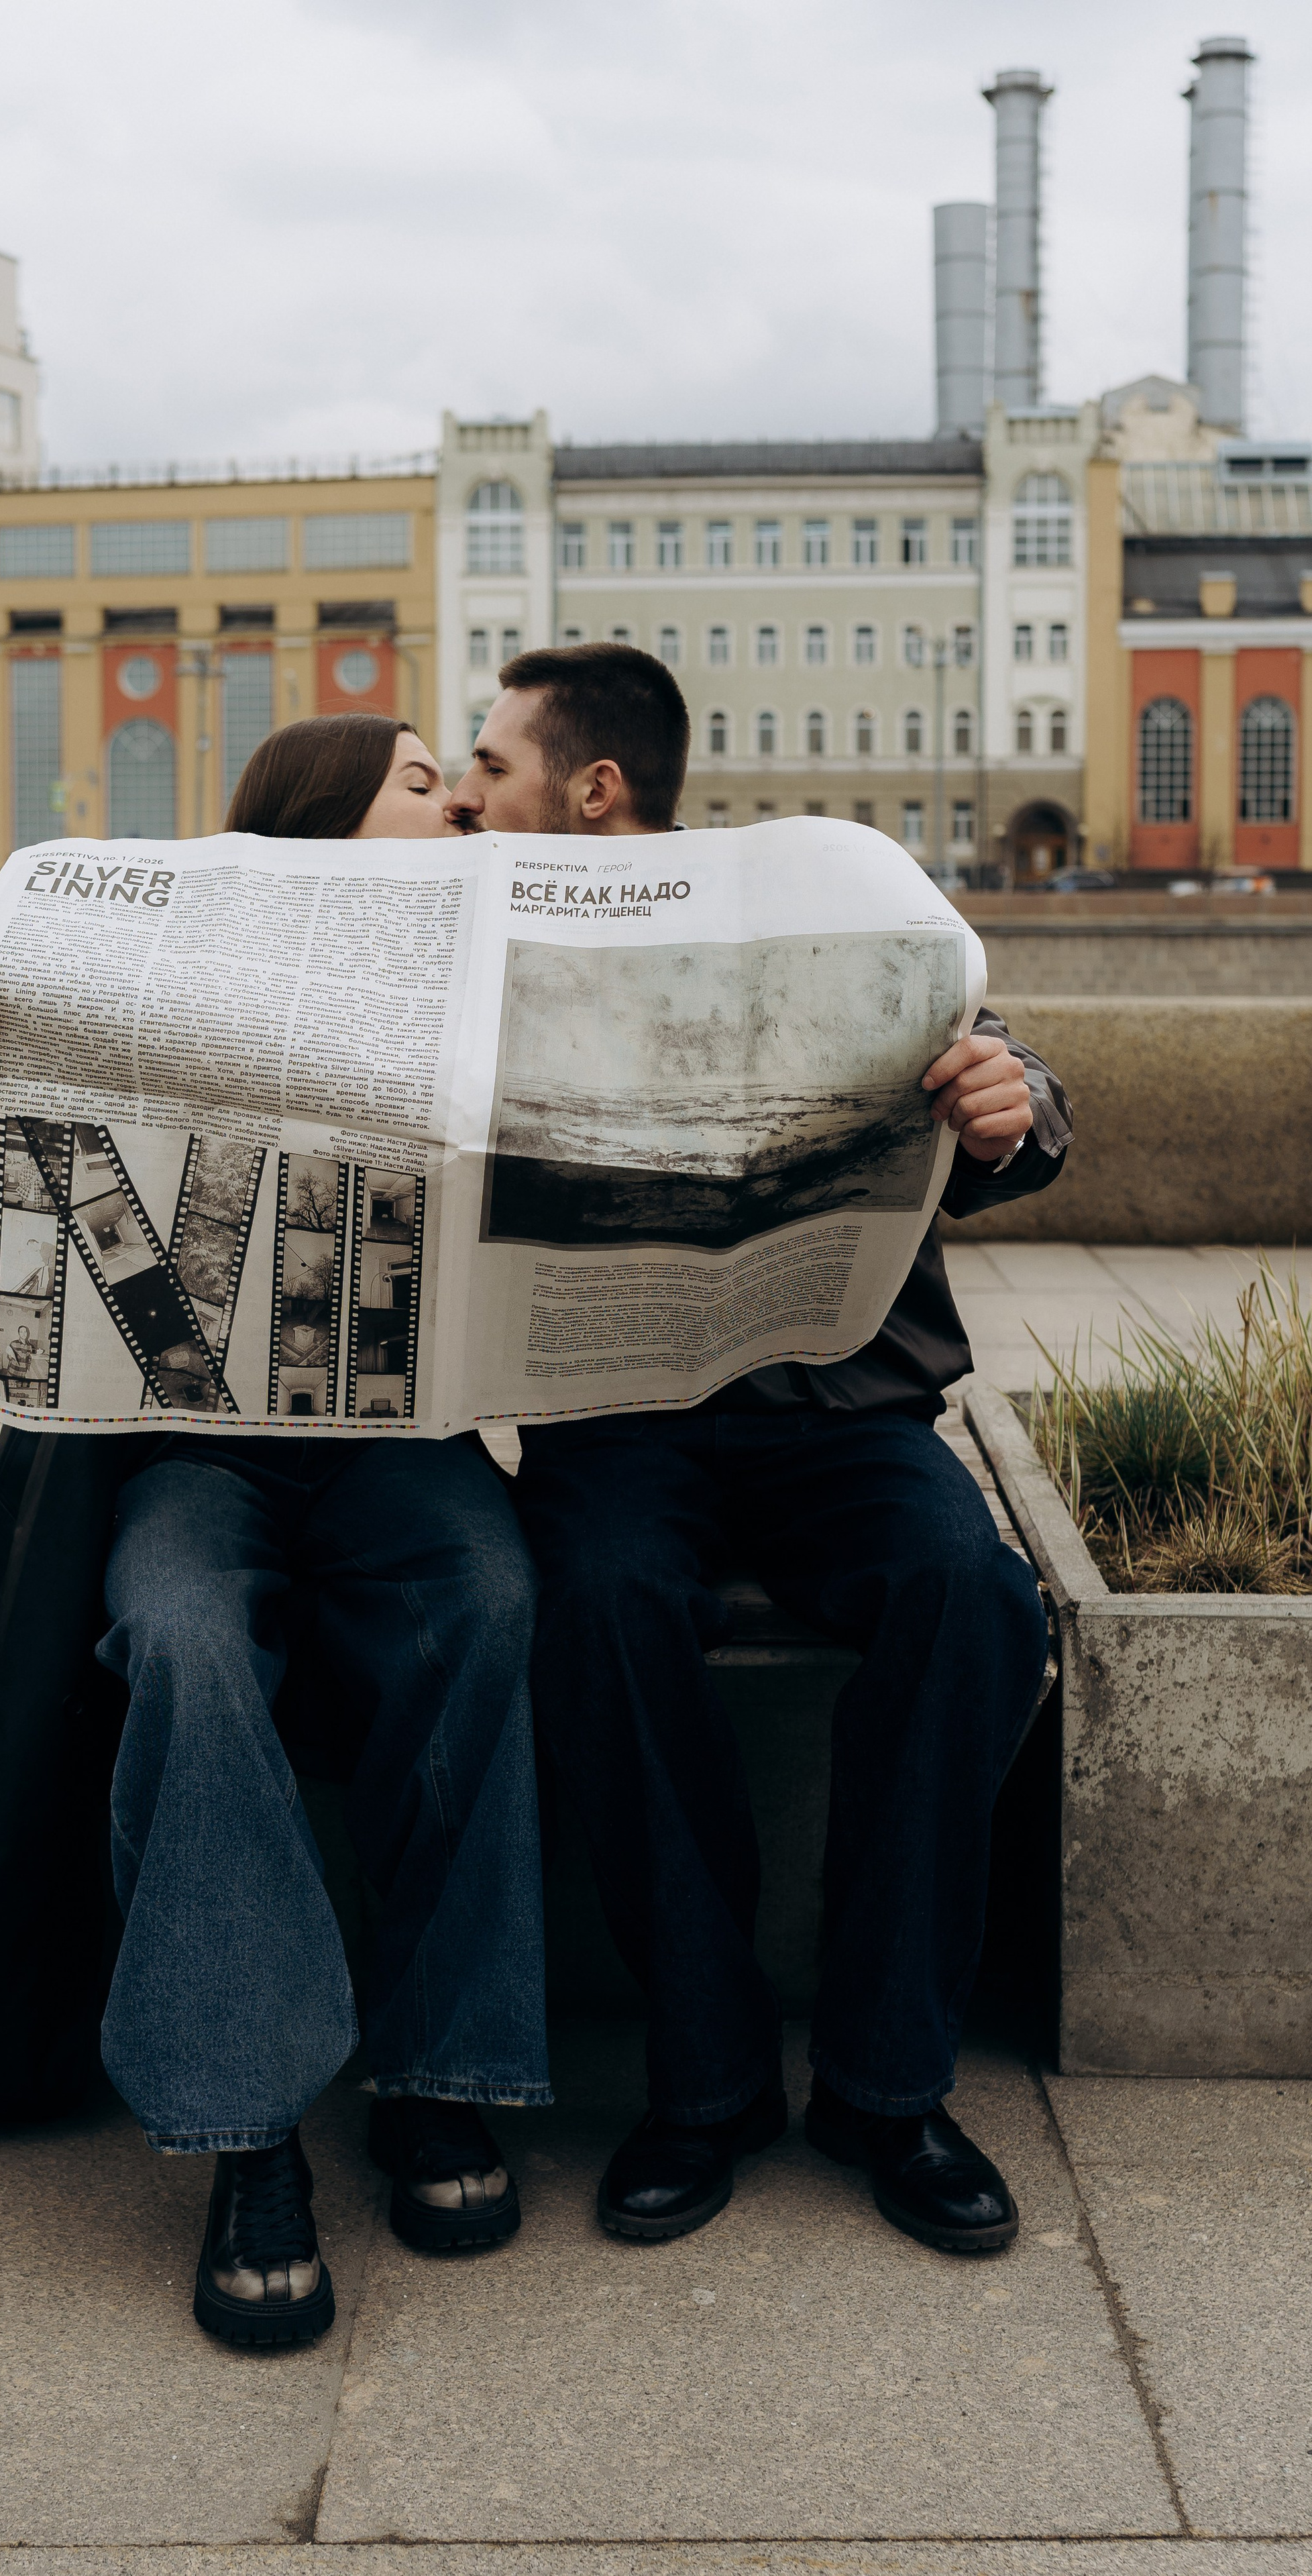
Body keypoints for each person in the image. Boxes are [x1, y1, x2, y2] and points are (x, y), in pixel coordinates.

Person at [0, 716, 549, 2349]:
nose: (455, 793)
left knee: (487, 1591)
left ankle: (436, 2077)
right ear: (313, 819)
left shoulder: (504, 958)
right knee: (177, 1634)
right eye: (412, 779)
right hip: (190, 1455)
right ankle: (248, 2137)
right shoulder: (148, 960)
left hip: (399, 1445)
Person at [449, 643, 1071, 2257]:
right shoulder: (470, 933)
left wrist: (1014, 1101)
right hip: (619, 1431)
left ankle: (883, 2085)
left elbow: (990, 1063)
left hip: (840, 1411)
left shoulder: (814, 906)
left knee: (973, 1601)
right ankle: (707, 2078)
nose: (465, 791)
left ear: (592, 790)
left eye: (493, 766)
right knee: (591, 1605)